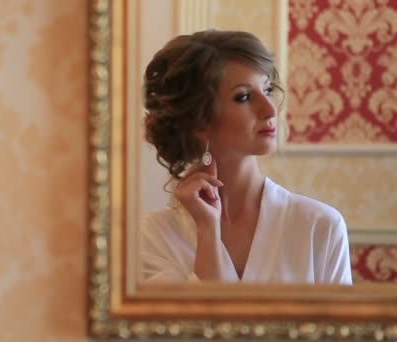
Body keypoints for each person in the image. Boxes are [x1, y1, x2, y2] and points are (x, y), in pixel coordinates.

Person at [140, 29, 352, 284]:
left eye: (268, 89)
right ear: (198, 121)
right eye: (243, 97)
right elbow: (197, 322)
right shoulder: (153, 236)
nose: (270, 109)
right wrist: (208, 231)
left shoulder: (320, 226)